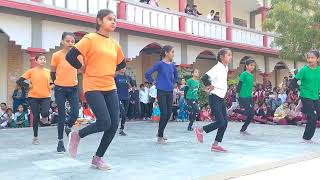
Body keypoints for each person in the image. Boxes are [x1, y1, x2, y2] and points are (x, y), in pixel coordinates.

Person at [65, 9, 126, 170]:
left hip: (110, 86)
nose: (113, 22)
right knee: (104, 122)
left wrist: (109, 67)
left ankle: (97, 158)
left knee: (113, 125)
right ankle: (77, 135)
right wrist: (82, 67)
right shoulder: (90, 39)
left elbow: (121, 64)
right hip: (93, 86)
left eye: (115, 20)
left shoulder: (114, 44)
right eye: (109, 19)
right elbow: (70, 56)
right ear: (99, 21)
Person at [194, 48, 232, 152]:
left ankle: (216, 145)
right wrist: (209, 85)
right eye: (228, 55)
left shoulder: (225, 67)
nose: (230, 57)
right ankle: (200, 130)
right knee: (220, 122)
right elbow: (205, 78)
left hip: (220, 97)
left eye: (231, 55)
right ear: (221, 57)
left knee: (225, 122)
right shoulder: (217, 67)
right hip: (214, 97)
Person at [51, 32, 80, 153]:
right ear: (62, 42)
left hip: (73, 88)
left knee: (75, 113)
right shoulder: (56, 55)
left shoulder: (77, 56)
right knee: (61, 115)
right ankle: (60, 142)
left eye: (72, 41)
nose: (70, 43)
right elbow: (52, 72)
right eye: (67, 41)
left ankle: (68, 127)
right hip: (60, 89)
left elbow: (81, 69)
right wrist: (57, 83)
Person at [145, 45, 178, 144]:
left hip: (169, 91)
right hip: (161, 91)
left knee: (168, 113)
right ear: (166, 53)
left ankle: (161, 132)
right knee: (164, 113)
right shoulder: (159, 64)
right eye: (172, 52)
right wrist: (153, 82)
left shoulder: (172, 65)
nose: (173, 54)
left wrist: (172, 84)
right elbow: (147, 73)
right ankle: (160, 136)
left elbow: (176, 76)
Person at [16, 54, 51, 145]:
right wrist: (28, 85)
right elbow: (19, 81)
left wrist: (52, 86)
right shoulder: (31, 71)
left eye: (44, 59)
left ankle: (43, 118)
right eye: (40, 59)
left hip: (46, 96)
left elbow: (54, 81)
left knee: (45, 113)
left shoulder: (48, 71)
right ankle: (35, 137)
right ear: (36, 61)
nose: (43, 60)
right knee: (35, 117)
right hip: (33, 97)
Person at [290, 50, 320, 143]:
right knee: (312, 116)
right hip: (305, 95)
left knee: (317, 116)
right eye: (308, 58)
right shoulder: (304, 70)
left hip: (315, 96)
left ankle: (308, 138)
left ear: (318, 59)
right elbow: (293, 82)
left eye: (312, 57)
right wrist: (299, 89)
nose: (310, 59)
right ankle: (306, 138)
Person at [237, 59, 256, 135]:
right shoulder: (244, 74)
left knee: (252, 113)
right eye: (251, 65)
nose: (252, 67)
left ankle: (243, 129)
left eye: (253, 65)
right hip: (243, 96)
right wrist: (237, 94)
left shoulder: (251, 75)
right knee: (250, 112)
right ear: (246, 66)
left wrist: (251, 94)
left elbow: (249, 86)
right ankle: (236, 110)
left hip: (249, 96)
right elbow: (240, 84)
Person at [115, 67, 134, 136]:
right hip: (119, 98)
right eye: (122, 67)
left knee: (124, 114)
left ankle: (121, 129)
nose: (123, 69)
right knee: (122, 113)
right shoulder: (116, 77)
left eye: (124, 67)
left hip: (127, 98)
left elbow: (133, 87)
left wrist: (130, 91)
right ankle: (114, 127)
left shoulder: (128, 77)